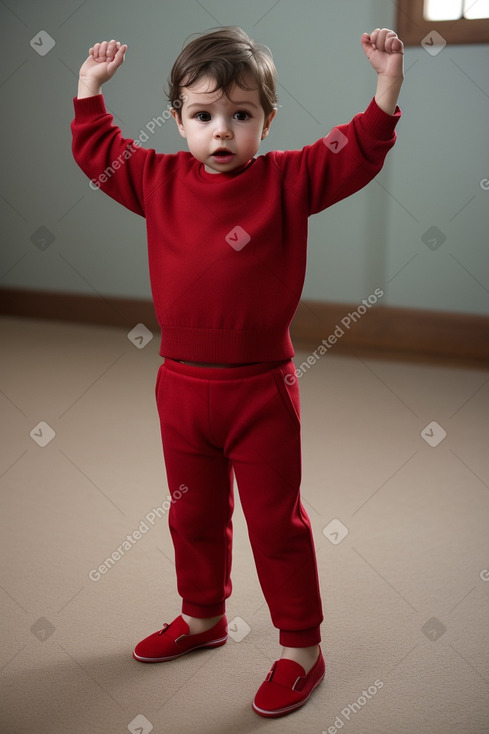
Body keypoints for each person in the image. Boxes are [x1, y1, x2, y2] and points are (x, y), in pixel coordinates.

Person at [71, 25, 403, 718]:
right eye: (202, 116)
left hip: (260, 391)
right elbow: (100, 155)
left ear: (266, 121)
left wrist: (386, 85)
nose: (221, 131)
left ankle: (301, 649)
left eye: (240, 115)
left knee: (275, 524)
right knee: (192, 515)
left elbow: (356, 154)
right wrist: (89, 92)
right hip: (180, 388)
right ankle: (201, 618)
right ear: (180, 119)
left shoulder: (289, 178)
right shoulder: (156, 179)